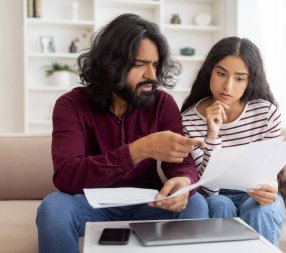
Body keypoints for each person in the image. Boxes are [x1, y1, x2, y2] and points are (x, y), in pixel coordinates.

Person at [36, 14, 208, 253]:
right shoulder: (71, 105)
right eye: (140, 64)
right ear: (111, 64)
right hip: (91, 206)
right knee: (53, 207)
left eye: (155, 64)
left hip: (147, 205)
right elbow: (67, 177)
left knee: (195, 203)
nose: (152, 75)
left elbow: (182, 164)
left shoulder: (162, 104)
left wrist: (184, 181)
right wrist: (138, 150)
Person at [181, 36, 286, 246]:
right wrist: (212, 134)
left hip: (256, 194)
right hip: (215, 194)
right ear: (210, 71)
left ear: (250, 80)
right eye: (221, 73)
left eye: (239, 78)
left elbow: (268, 175)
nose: (227, 86)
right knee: (218, 204)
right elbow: (208, 189)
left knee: (257, 209)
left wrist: (270, 189)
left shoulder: (267, 114)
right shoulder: (188, 121)